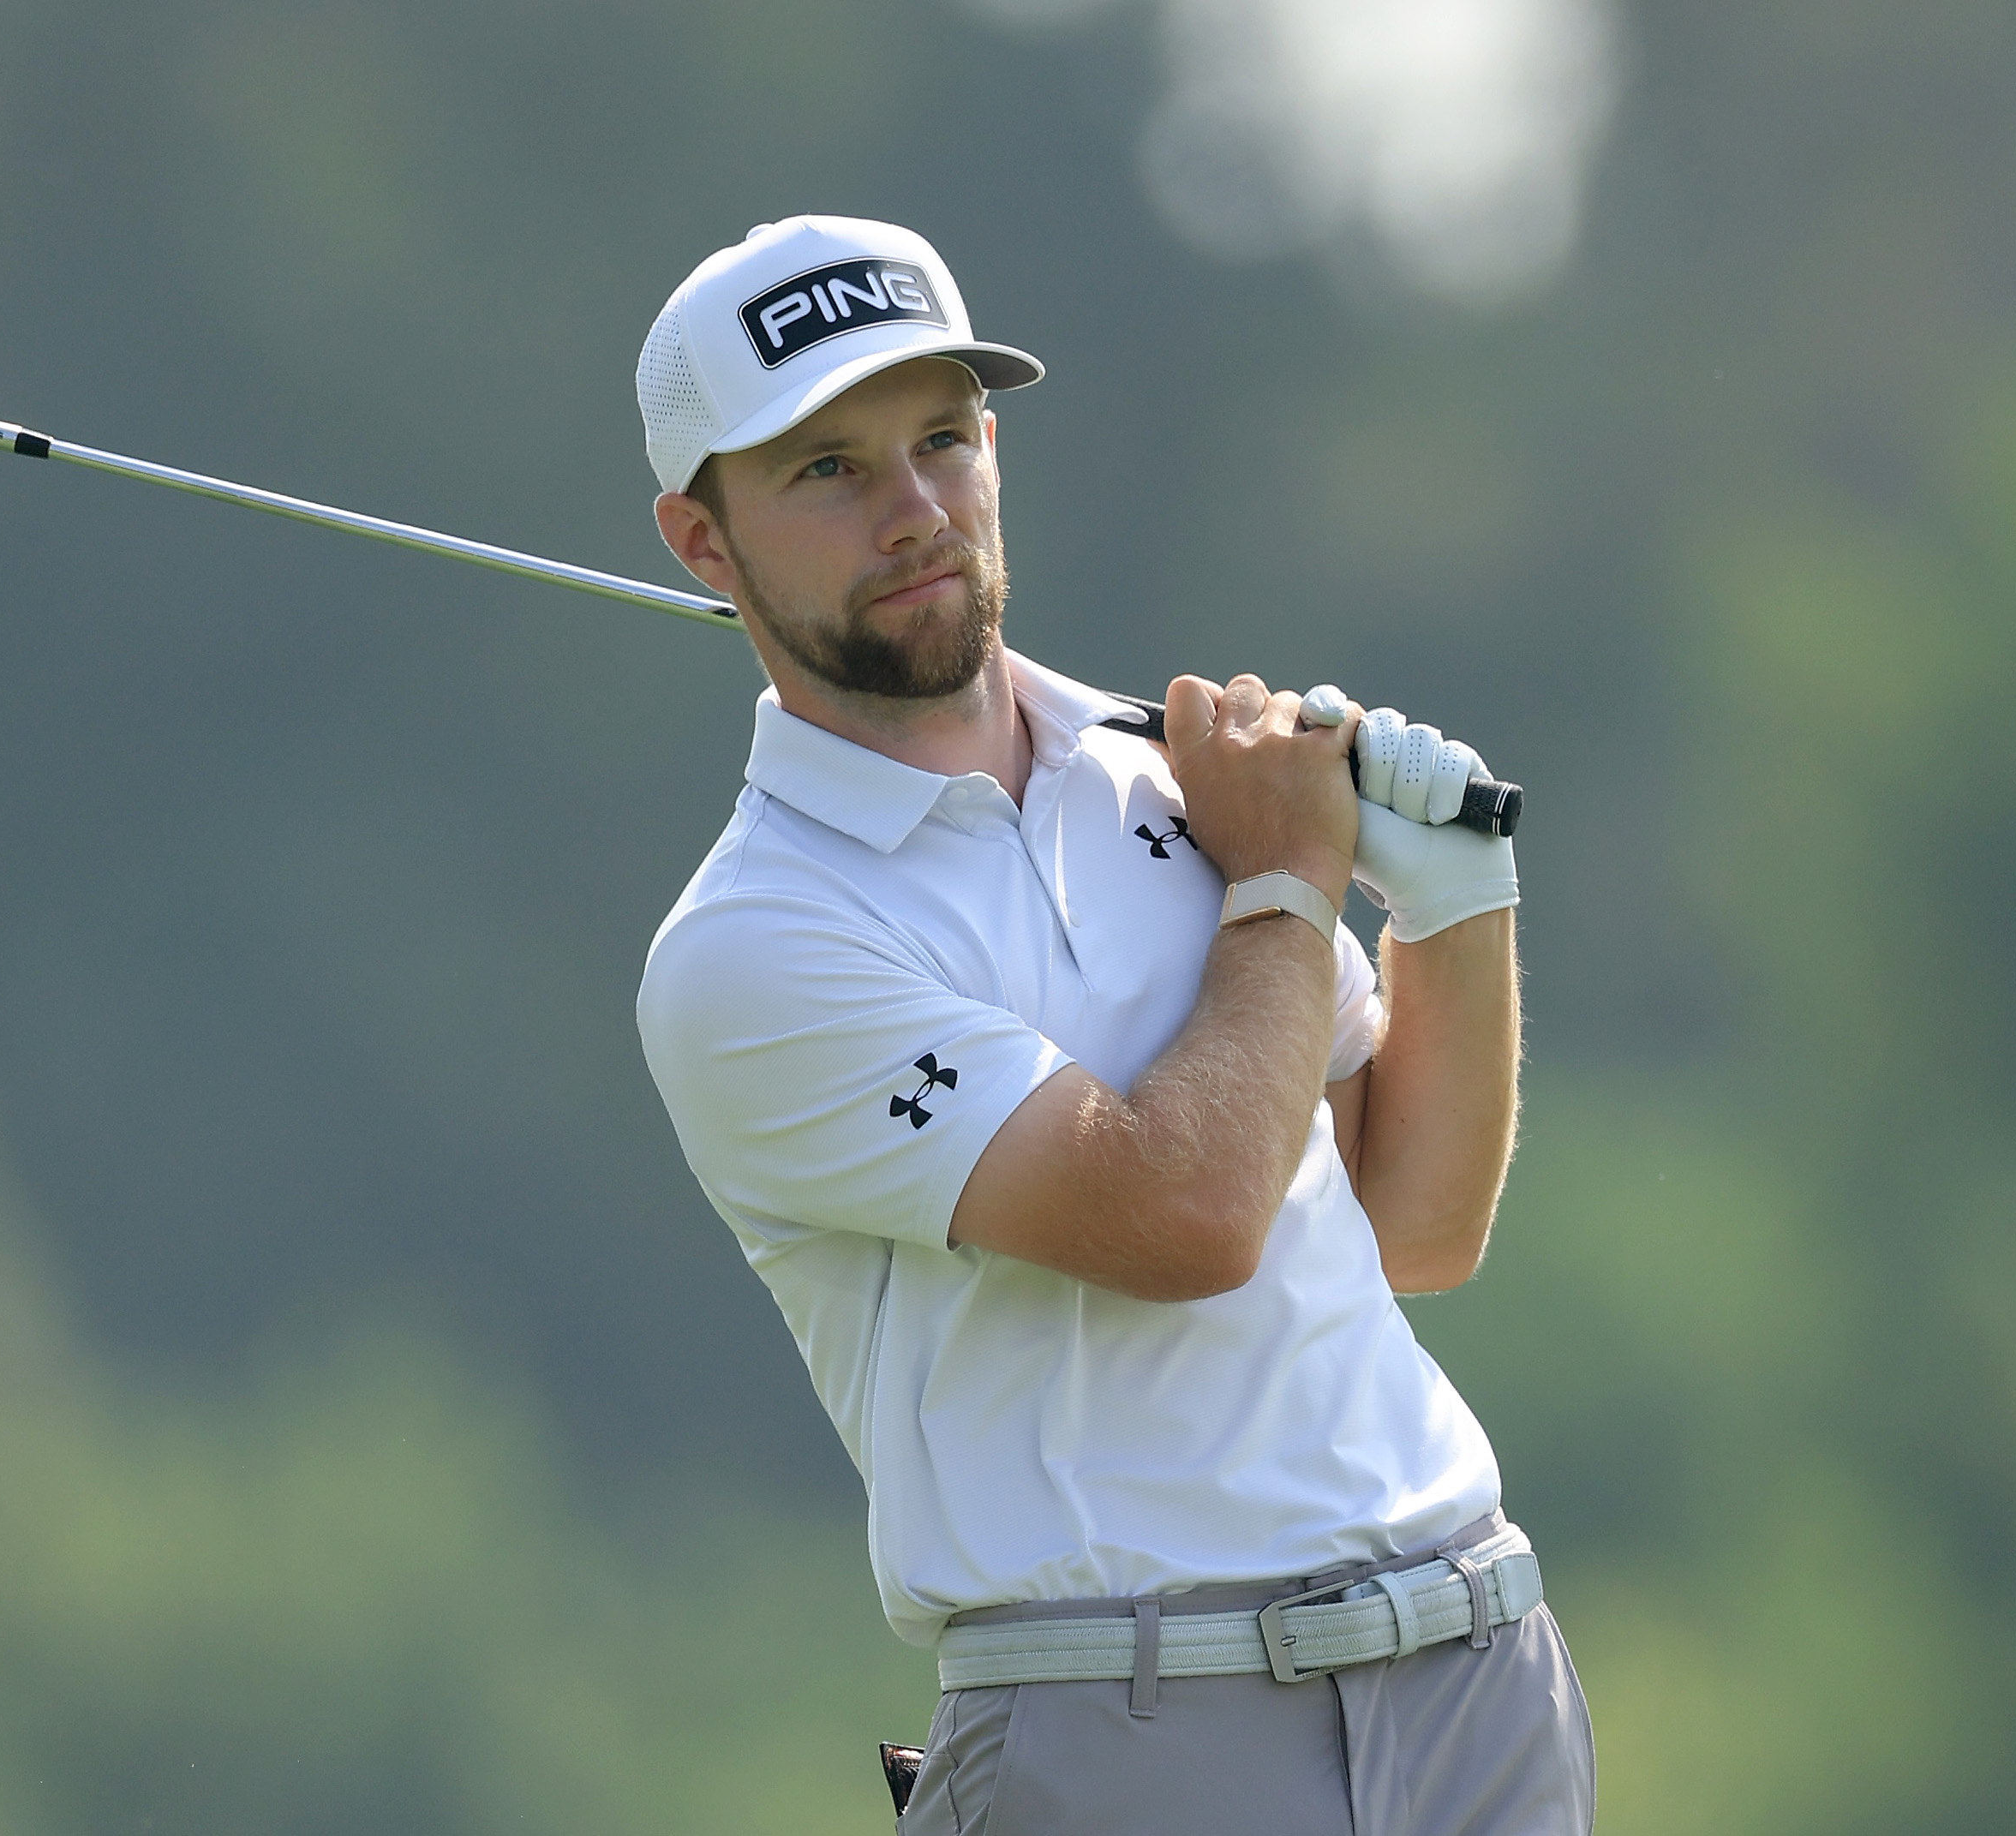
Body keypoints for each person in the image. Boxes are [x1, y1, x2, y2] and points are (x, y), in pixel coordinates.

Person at [632, 215, 1590, 1833]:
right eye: (826, 472)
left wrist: (1453, 907)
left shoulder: (1172, 786)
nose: (915, 511)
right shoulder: (753, 948)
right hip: (1138, 1731)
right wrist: (1291, 878)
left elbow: (1411, 1223)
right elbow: (1185, 1213)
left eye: (942, 439)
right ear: (702, 541)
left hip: (1477, 1676)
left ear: (993, 446)